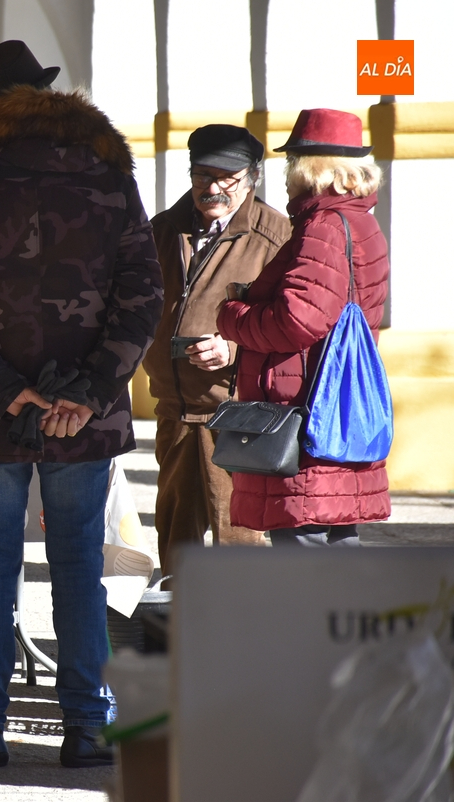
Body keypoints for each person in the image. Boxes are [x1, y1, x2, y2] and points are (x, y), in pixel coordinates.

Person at [0, 41, 162, 769]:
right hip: (84, 419)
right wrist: (86, 395)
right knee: (78, 564)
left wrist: (4, 387)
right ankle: (87, 729)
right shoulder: (112, 179)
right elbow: (141, 299)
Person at [217, 108, 390, 547]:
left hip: (305, 409)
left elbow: (298, 319)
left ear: (311, 169)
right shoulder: (358, 221)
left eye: (292, 164)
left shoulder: (325, 226)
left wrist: (233, 316)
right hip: (330, 406)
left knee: (306, 544)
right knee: (330, 541)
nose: (287, 174)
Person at [143, 125, 291, 579]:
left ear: (252, 177)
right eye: (202, 175)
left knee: (238, 537)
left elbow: (291, 324)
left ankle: (245, 637)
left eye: (226, 177)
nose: (212, 187)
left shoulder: (276, 235)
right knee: (175, 536)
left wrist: (232, 345)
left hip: (237, 413)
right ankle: (181, 631)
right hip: (175, 406)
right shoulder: (163, 229)